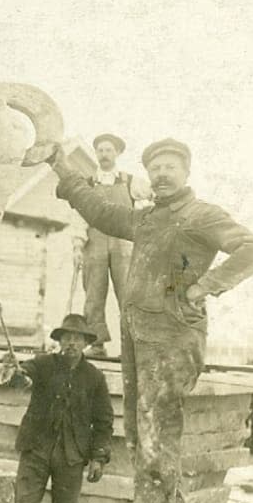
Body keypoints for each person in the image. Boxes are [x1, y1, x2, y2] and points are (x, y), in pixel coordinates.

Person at [48, 138, 253, 503]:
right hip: (138, 335)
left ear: (186, 172)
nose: (162, 174)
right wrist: (61, 168)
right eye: (155, 168)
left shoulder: (201, 215)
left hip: (173, 336)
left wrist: (205, 287)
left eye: (170, 167)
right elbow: (100, 212)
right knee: (140, 428)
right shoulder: (147, 218)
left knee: (156, 429)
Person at [5, 313, 113, 503]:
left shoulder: (94, 377)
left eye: (77, 338)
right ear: (59, 341)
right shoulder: (43, 364)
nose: (72, 343)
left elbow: (104, 421)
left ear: (86, 343)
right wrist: (15, 373)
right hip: (36, 450)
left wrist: (98, 458)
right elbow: (23, 377)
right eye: (67, 338)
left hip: (71, 456)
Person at [71, 133, 151, 357]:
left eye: (108, 150)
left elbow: (152, 199)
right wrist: (77, 247)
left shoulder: (130, 182)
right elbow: (79, 217)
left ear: (117, 153)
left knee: (128, 294)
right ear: (96, 154)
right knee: (93, 294)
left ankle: (132, 346)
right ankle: (96, 345)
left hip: (123, 244)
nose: (104, 155)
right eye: (100, 150)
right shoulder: (86, 184)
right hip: (94, 244)